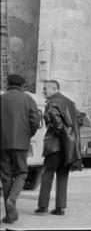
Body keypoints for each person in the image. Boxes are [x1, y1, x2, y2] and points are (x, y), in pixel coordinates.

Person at [35, 80, 82, 216]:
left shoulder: (53, 102)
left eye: (45, 89)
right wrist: (69, 135)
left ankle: (43, 206)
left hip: (55, 145)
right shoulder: (70, 103)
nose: (43, 91)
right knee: (62, 175)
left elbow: (55, 118)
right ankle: (60, 208)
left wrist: (62, 131)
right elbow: (79, 119)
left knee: (47, 174)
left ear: (54, 89)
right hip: (69, 147)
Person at [0, 73, 41, 224]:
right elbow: (36, 121)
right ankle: (12, 198)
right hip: (21, 143)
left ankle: (9, 214)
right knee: (22, 172)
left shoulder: (1, 99)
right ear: (21, 85)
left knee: (5, 176)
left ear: (8, 83)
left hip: (3, 144)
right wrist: (27, 134)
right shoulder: (28, 99)